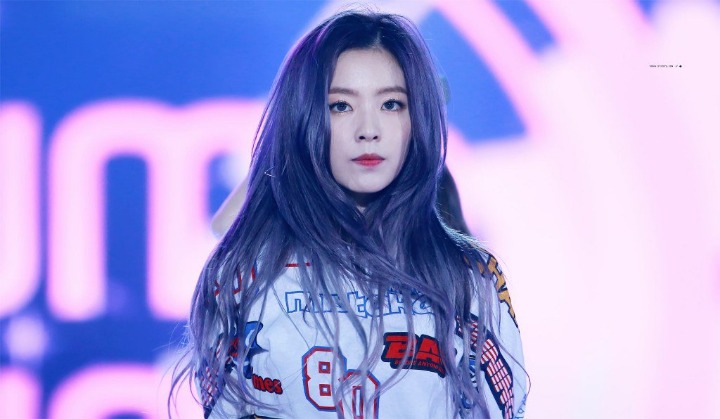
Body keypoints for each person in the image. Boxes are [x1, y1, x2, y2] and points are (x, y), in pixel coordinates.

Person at [172, 10, 528, 419]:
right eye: (340, 106)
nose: (368, 129)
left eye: (391, 104)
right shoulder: (247, 273)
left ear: (418, 117)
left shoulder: (468, 277)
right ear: (305, 118)